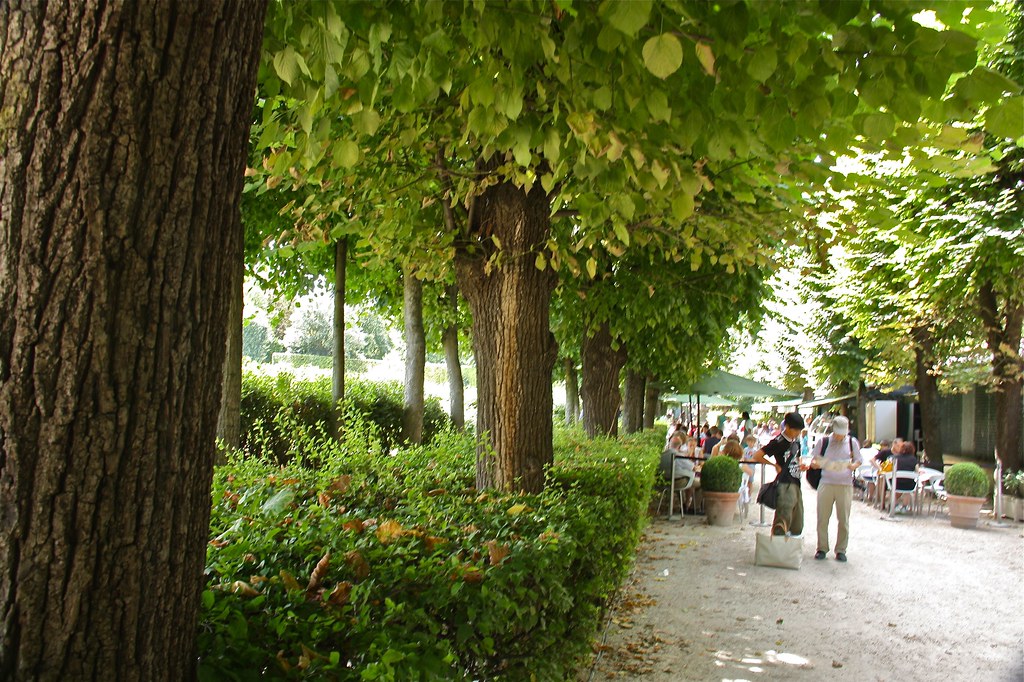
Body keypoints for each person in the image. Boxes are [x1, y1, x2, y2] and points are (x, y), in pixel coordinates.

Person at [810, 416, 860, 562]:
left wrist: (853, 466)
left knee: (843, 519)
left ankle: (841, 549)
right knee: (822, 517)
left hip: (845, 484)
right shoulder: (823, 441)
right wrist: (817, 464)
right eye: (838, 433)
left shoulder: (852, 442)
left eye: (842, 433)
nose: (840, 436)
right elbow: (814, 460)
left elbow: (858, 460)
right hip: (826, 482)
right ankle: (822, 548)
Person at [752, 412, 806, 536]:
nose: (797, 433)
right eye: (795, 430)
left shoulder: (796, 441)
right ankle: (777, 546)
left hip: (796, 482)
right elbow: (757, 455)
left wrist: (800, 465)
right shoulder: (778, 441)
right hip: (785, 483)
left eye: (799, 430)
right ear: (787, 427)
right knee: (783, 517)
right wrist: (774, 465)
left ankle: (788, 548)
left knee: (797, 523)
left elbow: (798, 457)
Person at [891, 441, 919, 513]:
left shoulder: (895, 458)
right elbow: (917, 471)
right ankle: (905, 506)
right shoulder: (913, 459)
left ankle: (895, 505)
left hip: (895, 484)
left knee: (893, 485)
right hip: (909, 485)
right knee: (908, 490)